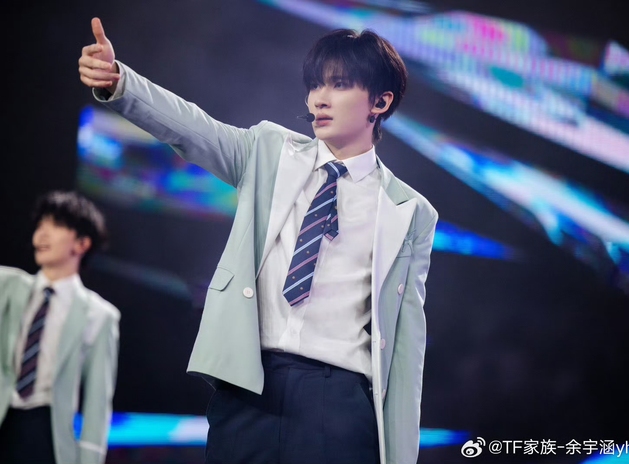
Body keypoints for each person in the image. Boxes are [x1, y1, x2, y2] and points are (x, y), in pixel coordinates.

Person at [79, 16, 437, 464]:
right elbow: (192, 128)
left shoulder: (410, 211)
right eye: (315, 85)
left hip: (339, 401)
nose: (319, 98)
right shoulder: (269, 150)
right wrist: (121, 83)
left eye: (340, 85)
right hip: (249, 385)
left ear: (380, 102)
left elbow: (406, 346)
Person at [0, 191, 120, 464]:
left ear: (81, 243)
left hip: (46, 433)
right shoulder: (7, 286)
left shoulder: (100, 315)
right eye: (40, 226)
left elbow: (97, 404)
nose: (41, 235)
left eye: (55, 225)